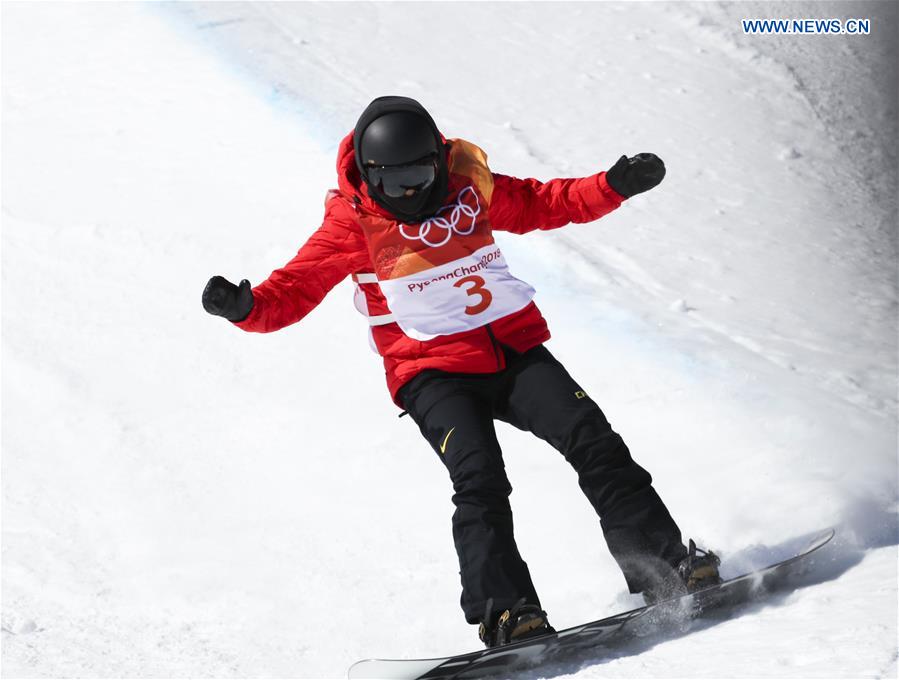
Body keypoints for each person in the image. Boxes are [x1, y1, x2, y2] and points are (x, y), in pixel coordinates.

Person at [202, 95, 721, 648]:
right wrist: (246, 308)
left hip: (511, 350)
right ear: (370, 175)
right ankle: (508, 614)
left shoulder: (467, 187)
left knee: (593, 441)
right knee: (480, 480)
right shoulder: (353, 224)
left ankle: (664, 569)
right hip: (431, 373)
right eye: (393, 182)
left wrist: (612, 186)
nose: (408, 193)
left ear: (437, 161)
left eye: (418, 177)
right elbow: (293, 289)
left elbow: (542, 203)